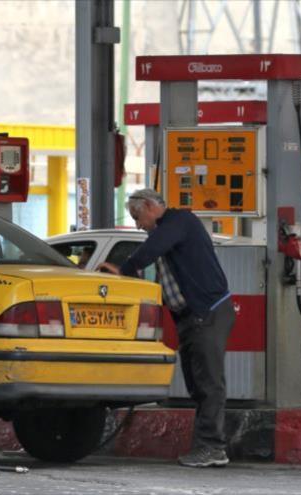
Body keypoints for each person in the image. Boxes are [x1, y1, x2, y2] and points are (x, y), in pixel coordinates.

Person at [98, 189, 235, 468]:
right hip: (190, 317)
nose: (138, 224)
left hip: (207, 312)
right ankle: (208, 445)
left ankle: (212, 447)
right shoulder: (165, 231)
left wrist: (124, 268)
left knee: (209, 383)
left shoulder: (179, 222)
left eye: (138, 217)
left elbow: (148, 252)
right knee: (197, 384)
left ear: (150, 206)